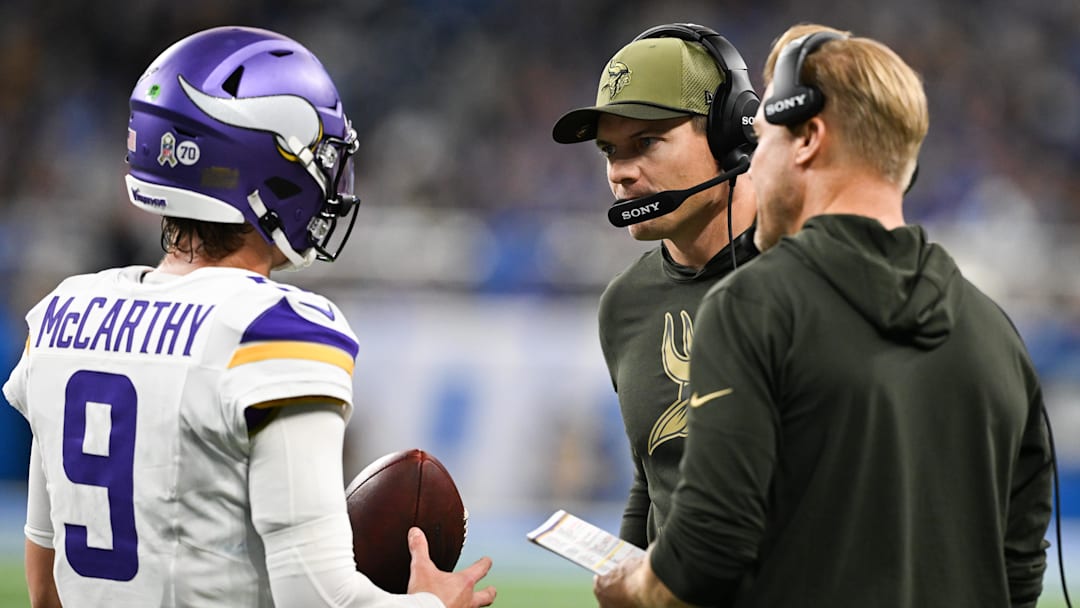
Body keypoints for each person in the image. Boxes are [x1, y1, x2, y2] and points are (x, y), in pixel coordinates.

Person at [3, 26, 496, 608]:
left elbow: (45, 586)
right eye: (322, 157)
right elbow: (317, 597)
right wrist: (436, 605)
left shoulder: (64, 314)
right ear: (267, 168)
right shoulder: (275, 330)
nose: (331, 180)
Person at [594, 22, 1054, 608]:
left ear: (807, 140)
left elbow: (708, 550)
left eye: (764, 141)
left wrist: (631, 590)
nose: (755, 163)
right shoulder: (993, 332)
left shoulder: (755, 307)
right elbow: (1017, 568)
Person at [551, 23, 760, 549]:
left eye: (646, 142)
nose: (621, 172)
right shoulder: (624, 305)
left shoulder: (805, 276)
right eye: (609, 151)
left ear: (729, 133)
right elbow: (655, 477)